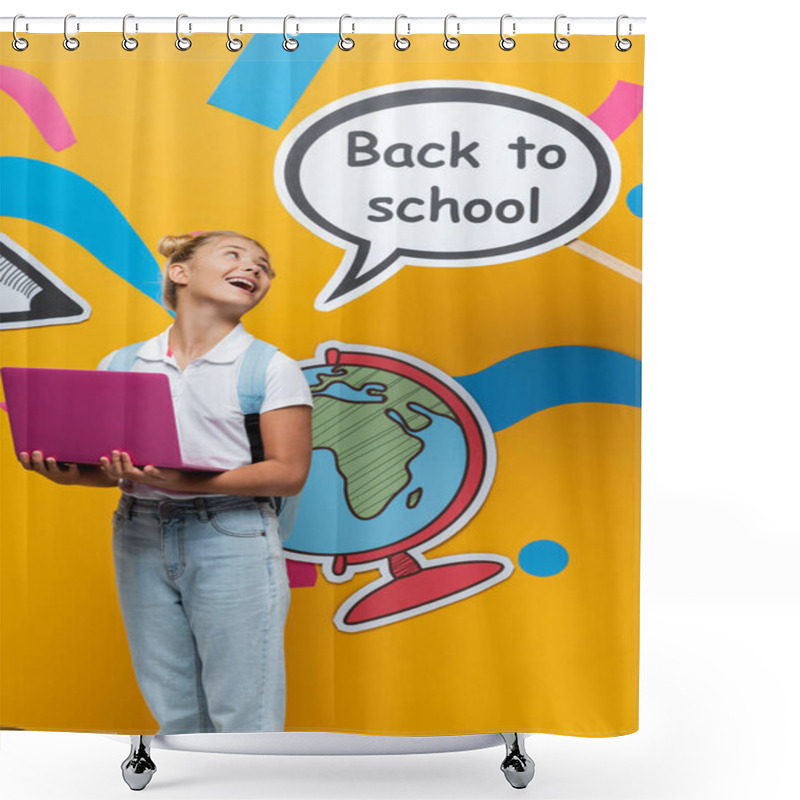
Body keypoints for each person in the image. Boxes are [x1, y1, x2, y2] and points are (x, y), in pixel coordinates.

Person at [17, 230, 313, 734]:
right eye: (236, 256)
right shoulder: (123, 362)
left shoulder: (270, 367)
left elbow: (288, 474)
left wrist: (188, 480)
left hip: (232, 534)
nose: (255, 269)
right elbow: (116, 468)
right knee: (173, 708)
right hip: (139, 532)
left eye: (264, 267)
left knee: (245, 712)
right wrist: (72, 472)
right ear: (180, 273)